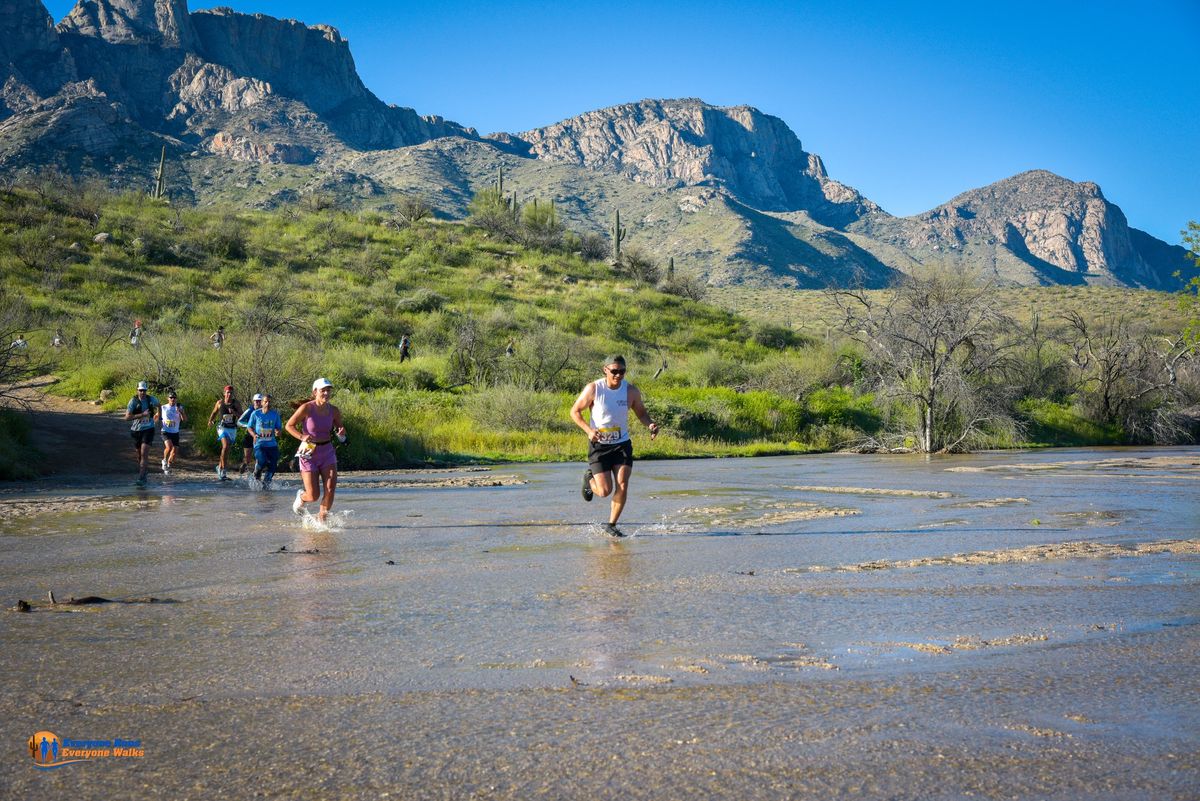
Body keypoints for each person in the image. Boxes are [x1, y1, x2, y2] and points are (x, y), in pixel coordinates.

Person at [569, 355, 658, 537]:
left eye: (622, 372)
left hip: (621, 444)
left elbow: (641, 413)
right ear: (605, 370)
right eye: (614, 371)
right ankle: (589, 479)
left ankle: (611, 524)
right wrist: (589, 430)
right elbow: (575, 411)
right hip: (599, 446)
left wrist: (650, 424)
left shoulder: (630, 391)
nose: (618, 375)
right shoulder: (594, 388)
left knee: (623, 484)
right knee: (604, 491)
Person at [285, 378, 346, 522]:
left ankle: (321, 521)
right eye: (322, 390)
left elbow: (341, 433)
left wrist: (341, 435)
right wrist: (301, 436)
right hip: (308, 450)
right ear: (315, 392)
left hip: (327, 451)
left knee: (330, 489)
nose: (326, 393)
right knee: (313, 495)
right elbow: (289, 426)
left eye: (328, 390)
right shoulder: (307, 408)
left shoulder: (334, 410)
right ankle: (301, 497)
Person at [124, 380, 160, 483]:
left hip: (148, 429)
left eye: (144, 390)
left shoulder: (151, 399)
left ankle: (141, 477)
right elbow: (126, 417)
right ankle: (144, 471)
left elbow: (159, 405)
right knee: (139, 455)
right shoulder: (133, 401)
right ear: (137, 390)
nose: (143, 393)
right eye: (141, 390)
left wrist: (159, 417)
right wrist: (142, 415)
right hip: (136, 430)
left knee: (144, 453)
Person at [246, 393, 283, 487]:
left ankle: (266, 482)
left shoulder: (275, 415)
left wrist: (278, 432)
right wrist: (253, 435)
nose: (268, 403)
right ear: (262, 402)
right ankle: (257, 472)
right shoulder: (256, 414)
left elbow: (279, 429)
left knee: (273, 464)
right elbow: (249, 427)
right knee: (262, 461)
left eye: (269, 402)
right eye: (266, 401)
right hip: (259, 443)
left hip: (272, 444)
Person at [206, 385, 241, 480]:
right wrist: (210, 421)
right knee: (225, 446)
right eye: (227, 392)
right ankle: (223, 470)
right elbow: (214, 413)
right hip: (222, 428)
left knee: (227, 449)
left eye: (231, 393)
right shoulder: (220, 403)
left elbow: (241, 416)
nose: (229, 394)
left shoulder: (236, 403)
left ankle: (219, 467)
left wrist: (234, 413)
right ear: (224, 393)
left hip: (232, 428)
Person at [159, 389, 186, 474]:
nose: (173, 399)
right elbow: (156, 416)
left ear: (176, 399)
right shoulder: (163, 407)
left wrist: (181, 412)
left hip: (175, 432)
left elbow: (185, 420)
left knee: (174, 454)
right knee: (169, 447)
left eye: (174, 397)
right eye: (171, 397)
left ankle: (168, 466)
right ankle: (164, 460)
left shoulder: (179, 407)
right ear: (168, 398)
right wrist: (152, 422)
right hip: (165, 431)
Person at [236, 393, 263, 474]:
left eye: (259, 401)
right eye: (256, 401)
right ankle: (245, 465)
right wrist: (249, 425)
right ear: (253, 402)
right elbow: (239, 422)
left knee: (258, 456)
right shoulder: (250, 410)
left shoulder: (264, 411)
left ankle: (256, 472)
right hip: (249, 435)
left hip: (260, 436)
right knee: (247, 458)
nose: (258, 403)